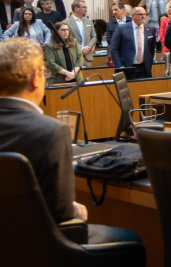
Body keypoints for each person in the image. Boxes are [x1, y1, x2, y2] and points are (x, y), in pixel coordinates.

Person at [0, 39, 141, 244]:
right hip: (42, 248)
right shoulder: (50, 132)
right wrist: (74, 208)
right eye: (44, 72)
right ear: (34, 79)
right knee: (130, 239)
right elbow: (62, 213)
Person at [108, 7, 157, 78]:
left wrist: (149, 63)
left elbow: (151, 49)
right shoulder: (121, 28)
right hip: (126, 67)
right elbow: (113, 48)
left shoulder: (151, 29)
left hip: (144, 68)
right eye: (140, 14)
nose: (143, 16)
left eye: (144, 14)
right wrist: (119, 66)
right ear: (133, 15)